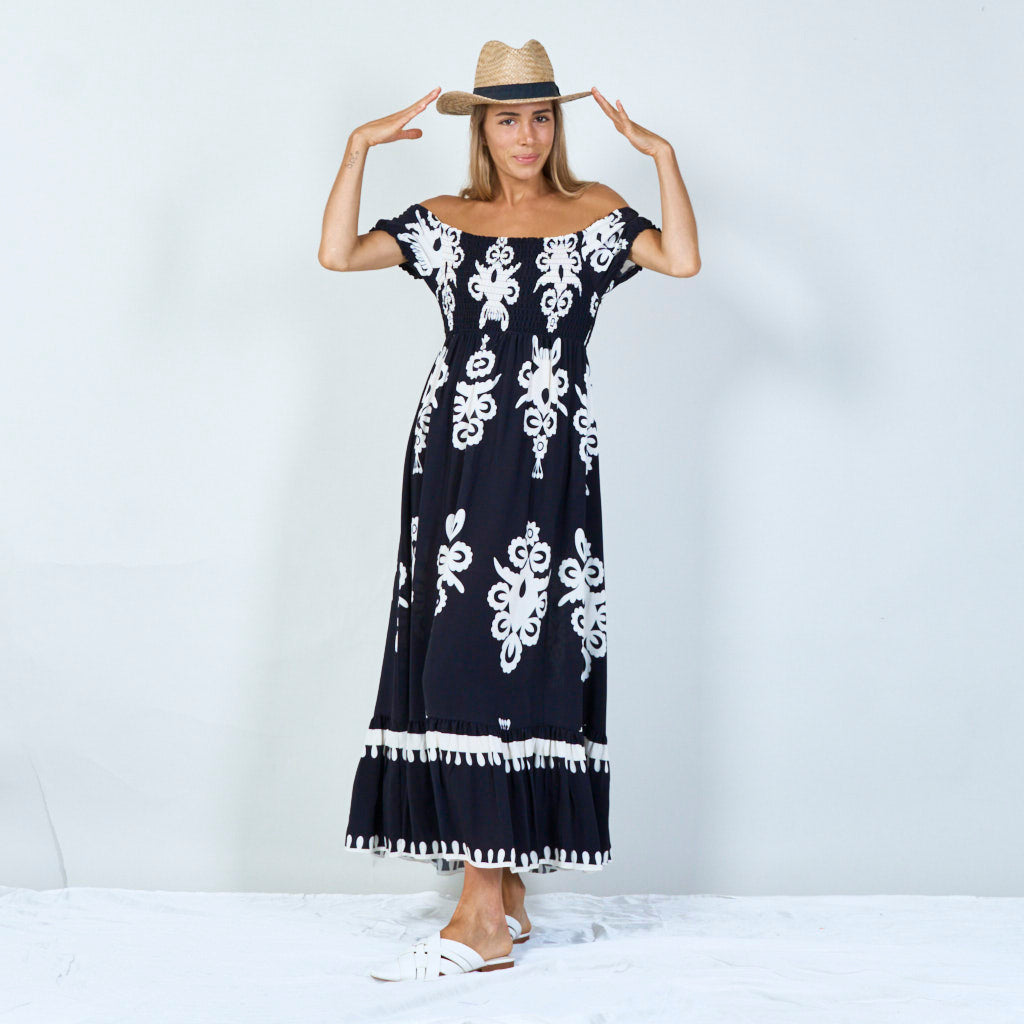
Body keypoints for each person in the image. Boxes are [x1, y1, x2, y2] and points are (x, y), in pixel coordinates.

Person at [318, 38, 700, 982]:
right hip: (454, 457)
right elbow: (337, 253)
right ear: (482, 131)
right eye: (506, 119)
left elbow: (682, 259)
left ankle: (487, 912)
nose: (525, 136)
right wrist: (358, 146)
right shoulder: (446, 221)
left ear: (554, 126)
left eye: (539, 118)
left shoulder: (594, 213)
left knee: (524, 653)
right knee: (456, 658)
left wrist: (662, 156)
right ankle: (497, 897)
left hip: (551, 458)